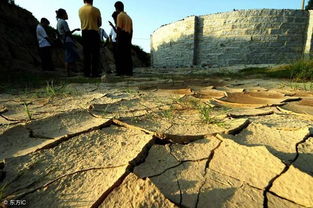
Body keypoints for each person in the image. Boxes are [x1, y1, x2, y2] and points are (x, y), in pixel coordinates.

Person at [79, 0, 102, 77]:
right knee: (95, 54)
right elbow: (99, 24)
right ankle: (95, 73)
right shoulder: (96, 9)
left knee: (86, 53)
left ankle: (86, 73)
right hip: (94, 32)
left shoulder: (80, 10)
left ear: (84, 1)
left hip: (84, 32)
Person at [56, 8, 80, 76]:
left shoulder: (58, 22)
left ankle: (71, 71)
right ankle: (68, 73)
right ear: (63, 14)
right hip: (67, 41)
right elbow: (68, 33)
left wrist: (75, 30)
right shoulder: (63, 22)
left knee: (70, 55)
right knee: (69, 56)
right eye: (66, 13)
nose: (67, 15)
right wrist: (73, 40)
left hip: (64, 41)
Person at [114, 1, 133, 76]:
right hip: (128, 36)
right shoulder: (129, 17)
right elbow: (132, 30)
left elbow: (118, 28)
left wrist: (117, 37)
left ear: (116, 8)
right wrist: (130, 39)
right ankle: (129, 72)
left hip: (122, 35)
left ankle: (120, 72)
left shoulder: (120, 15)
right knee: (127, 55)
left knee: (119, 54)